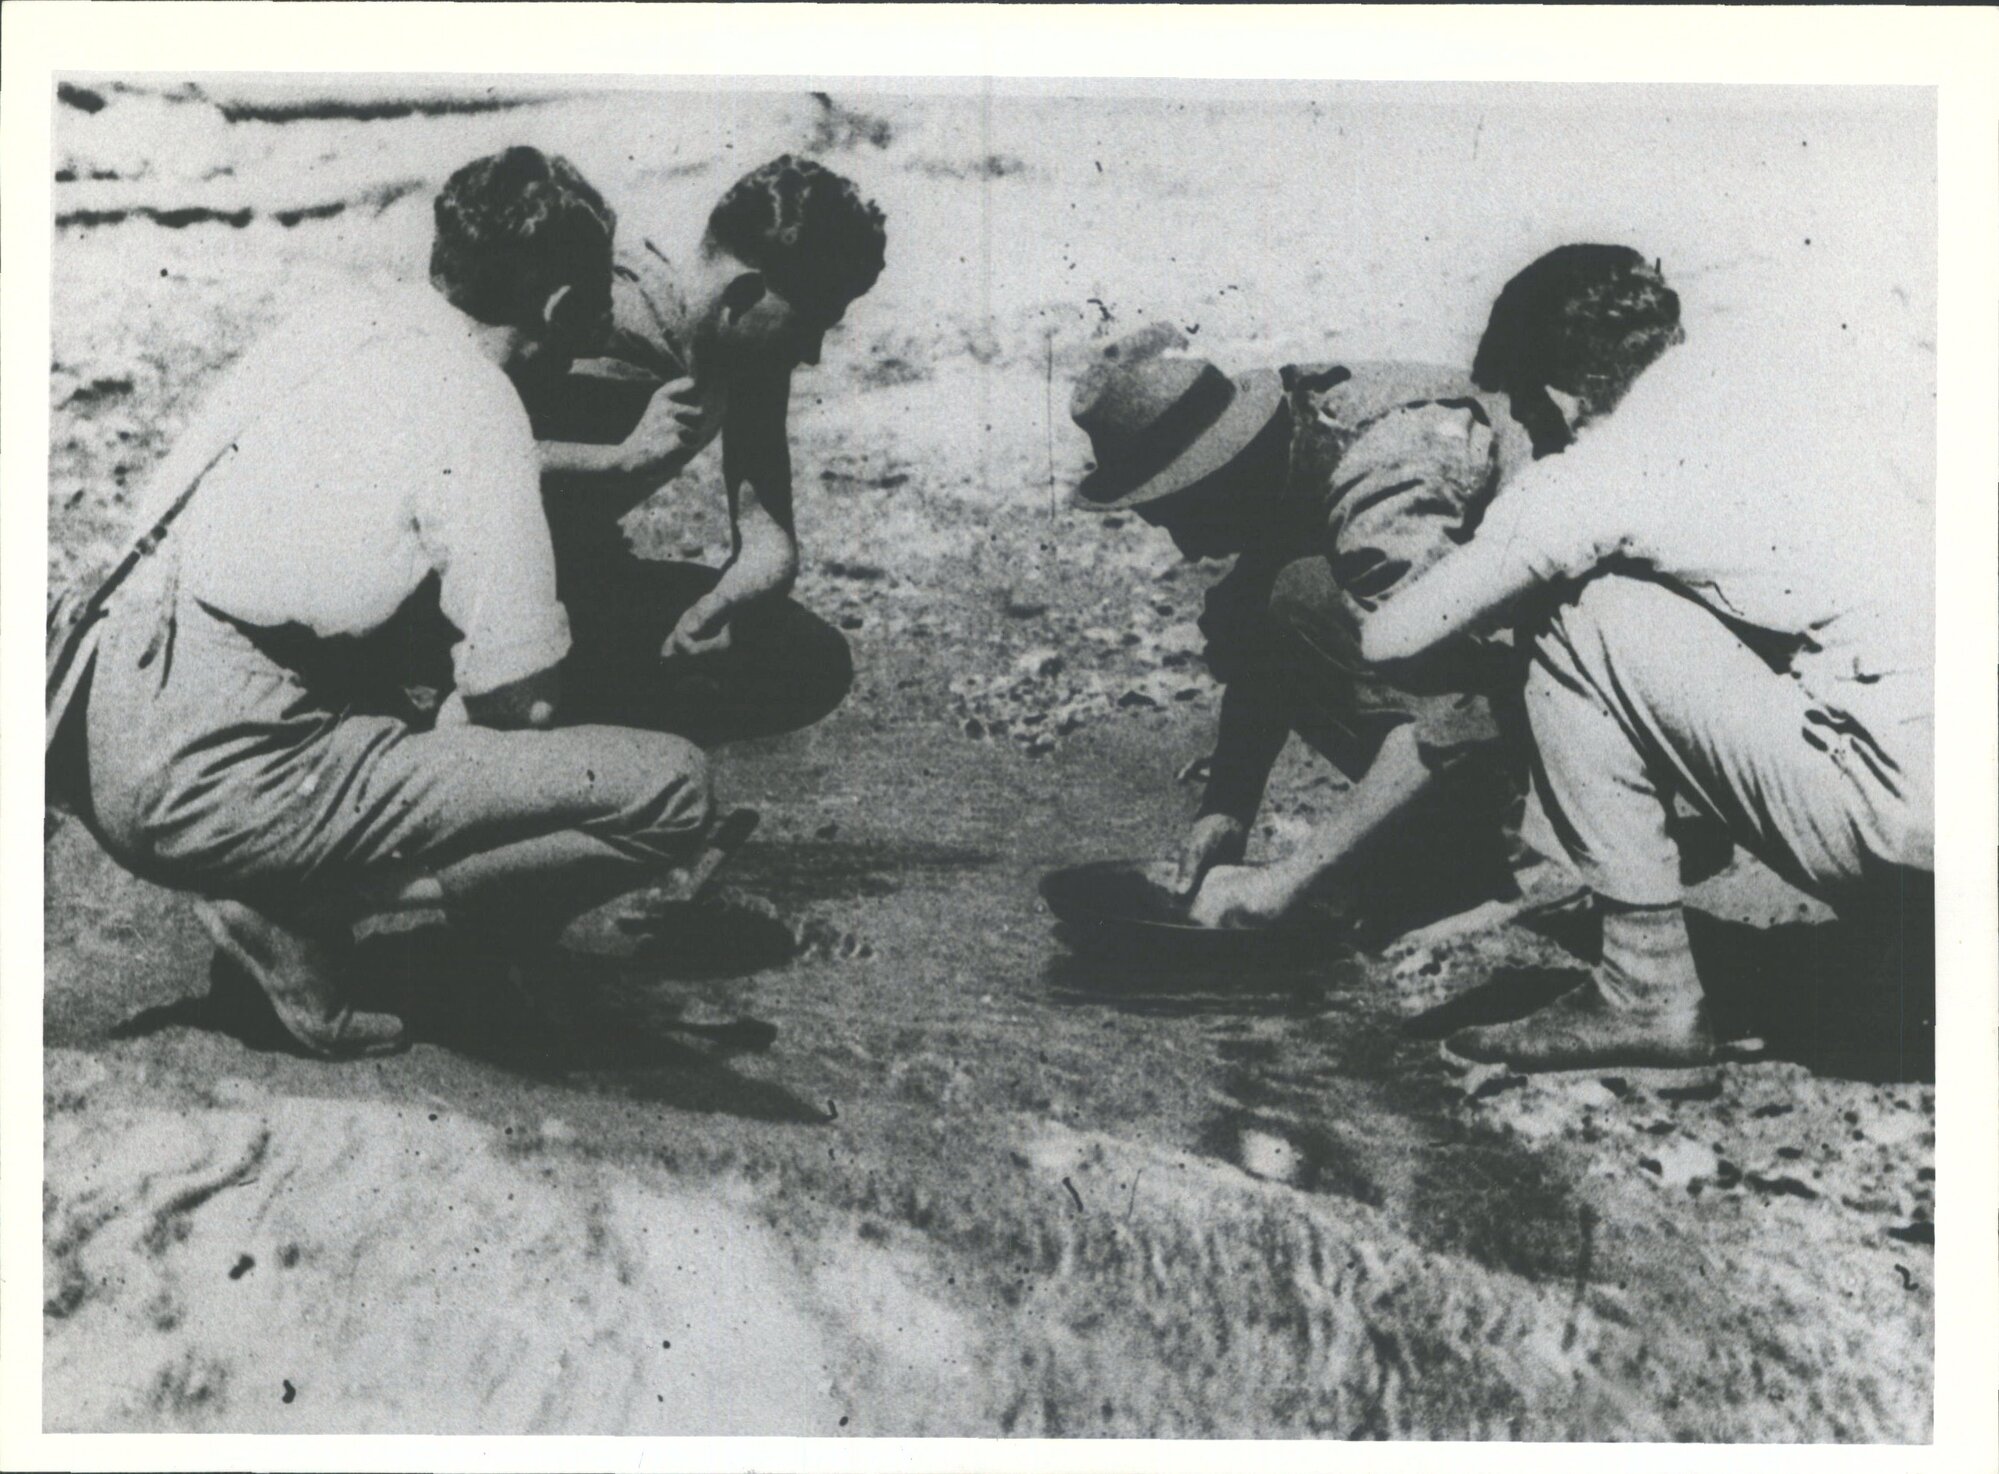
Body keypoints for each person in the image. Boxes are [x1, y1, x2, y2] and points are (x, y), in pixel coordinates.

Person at [52, 147, 722, 1060]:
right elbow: (521, 700)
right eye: (598, 301)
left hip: (91, 706)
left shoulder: (343, 317)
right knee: (670, 792)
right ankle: (307, 907)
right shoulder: (480, 407)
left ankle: (293, 873)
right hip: (204, 772)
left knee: (387, 645)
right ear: (563, 308)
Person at [1066, 246, 1686, 941]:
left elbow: (1452, 719)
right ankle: (1456, 842)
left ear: (1220, 473)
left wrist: (1285, 883)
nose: (1181, 547)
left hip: (1648, 724)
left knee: (1299, 597)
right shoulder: (1296, 426)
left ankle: (1538, 870)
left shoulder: (1381, 492)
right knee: (1254, 603)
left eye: (1174, 513)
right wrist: (1226, 811)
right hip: (1561, 674)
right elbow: (1254, 647)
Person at [1360, 325, 1933, 1072]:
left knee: (1576, 611)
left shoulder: (1600, 465)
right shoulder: (1822, 389)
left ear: (1557, 400)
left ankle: (1643, 988)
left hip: (1921, 832)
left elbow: (1391, 641)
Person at [526, 154, 888, 741]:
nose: (815, 353)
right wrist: (615, 460)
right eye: (809, 324)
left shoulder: (744, 347)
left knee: (803, 659)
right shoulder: (607, 318)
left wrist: (720, 604)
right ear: (743, 293)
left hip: (573, 579)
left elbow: (768, 534)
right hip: (469, 597)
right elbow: (446, 467)